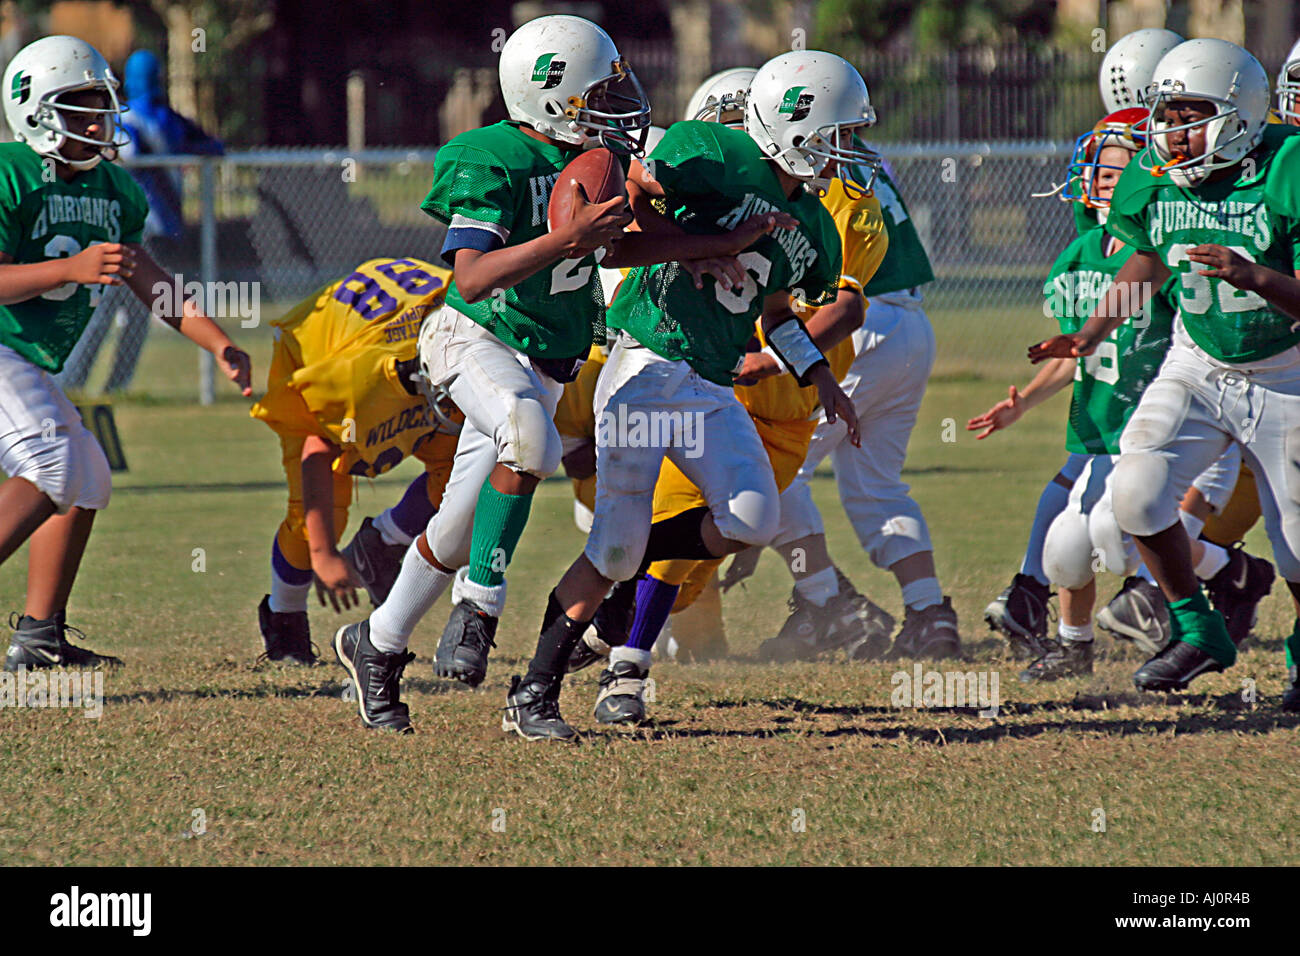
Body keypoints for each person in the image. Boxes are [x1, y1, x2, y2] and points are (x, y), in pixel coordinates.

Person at [332, 15, 766, 733]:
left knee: (456, 523)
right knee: (529, 440)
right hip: (472, 337)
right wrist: (564, 236)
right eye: (599, 90)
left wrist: (709, 245)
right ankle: (480, 606)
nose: (617, 103)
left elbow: (611, 250)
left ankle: (373, 645)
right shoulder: (492, 155)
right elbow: (469, 278)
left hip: (547, 361)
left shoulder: (595, 161)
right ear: (550, 96)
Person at [505, 50, 870, 741]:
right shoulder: (716, 153)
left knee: (753, 518)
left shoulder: (816, 223)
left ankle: (617, 583)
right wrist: (705, 243)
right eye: (840, 131)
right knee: (613, 551)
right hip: (647, 362)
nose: (846, 149)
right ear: (797, 122)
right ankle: (532, 692)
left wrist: (821, 376)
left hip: (709, 384)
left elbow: (777, 310)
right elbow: (626, 221)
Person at [1030, 39, 1300, 703]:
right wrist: (1090, 332)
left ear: (1237, 117)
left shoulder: (1289, 164)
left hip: (1288, 369)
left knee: (1296, 548)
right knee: (1137, 494)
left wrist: (1255, 275)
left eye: (1189, 114)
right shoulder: (1153, 170)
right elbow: (1148, 259)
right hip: (1200, 359)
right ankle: (1195, 627)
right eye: (1166, 113)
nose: (1170, 132)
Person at [0, 36, 250, 671]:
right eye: (80, 106)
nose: (98, 120)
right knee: (53, 465)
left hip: (22, 357)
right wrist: (71, 270)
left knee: (88, 475)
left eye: (100, 105)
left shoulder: (116, 189)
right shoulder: (9, 173)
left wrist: (217, 341)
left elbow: (149, 278)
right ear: (35, 111)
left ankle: (39, 636)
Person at [249, 256, 460, 667]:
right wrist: (324, 553)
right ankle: (284, 615)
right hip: (317, 357)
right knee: (315, 515)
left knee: (462, 472)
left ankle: (380, 543)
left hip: (402, 333)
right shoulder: (369, 379)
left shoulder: (469, 326)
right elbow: (317, 452)